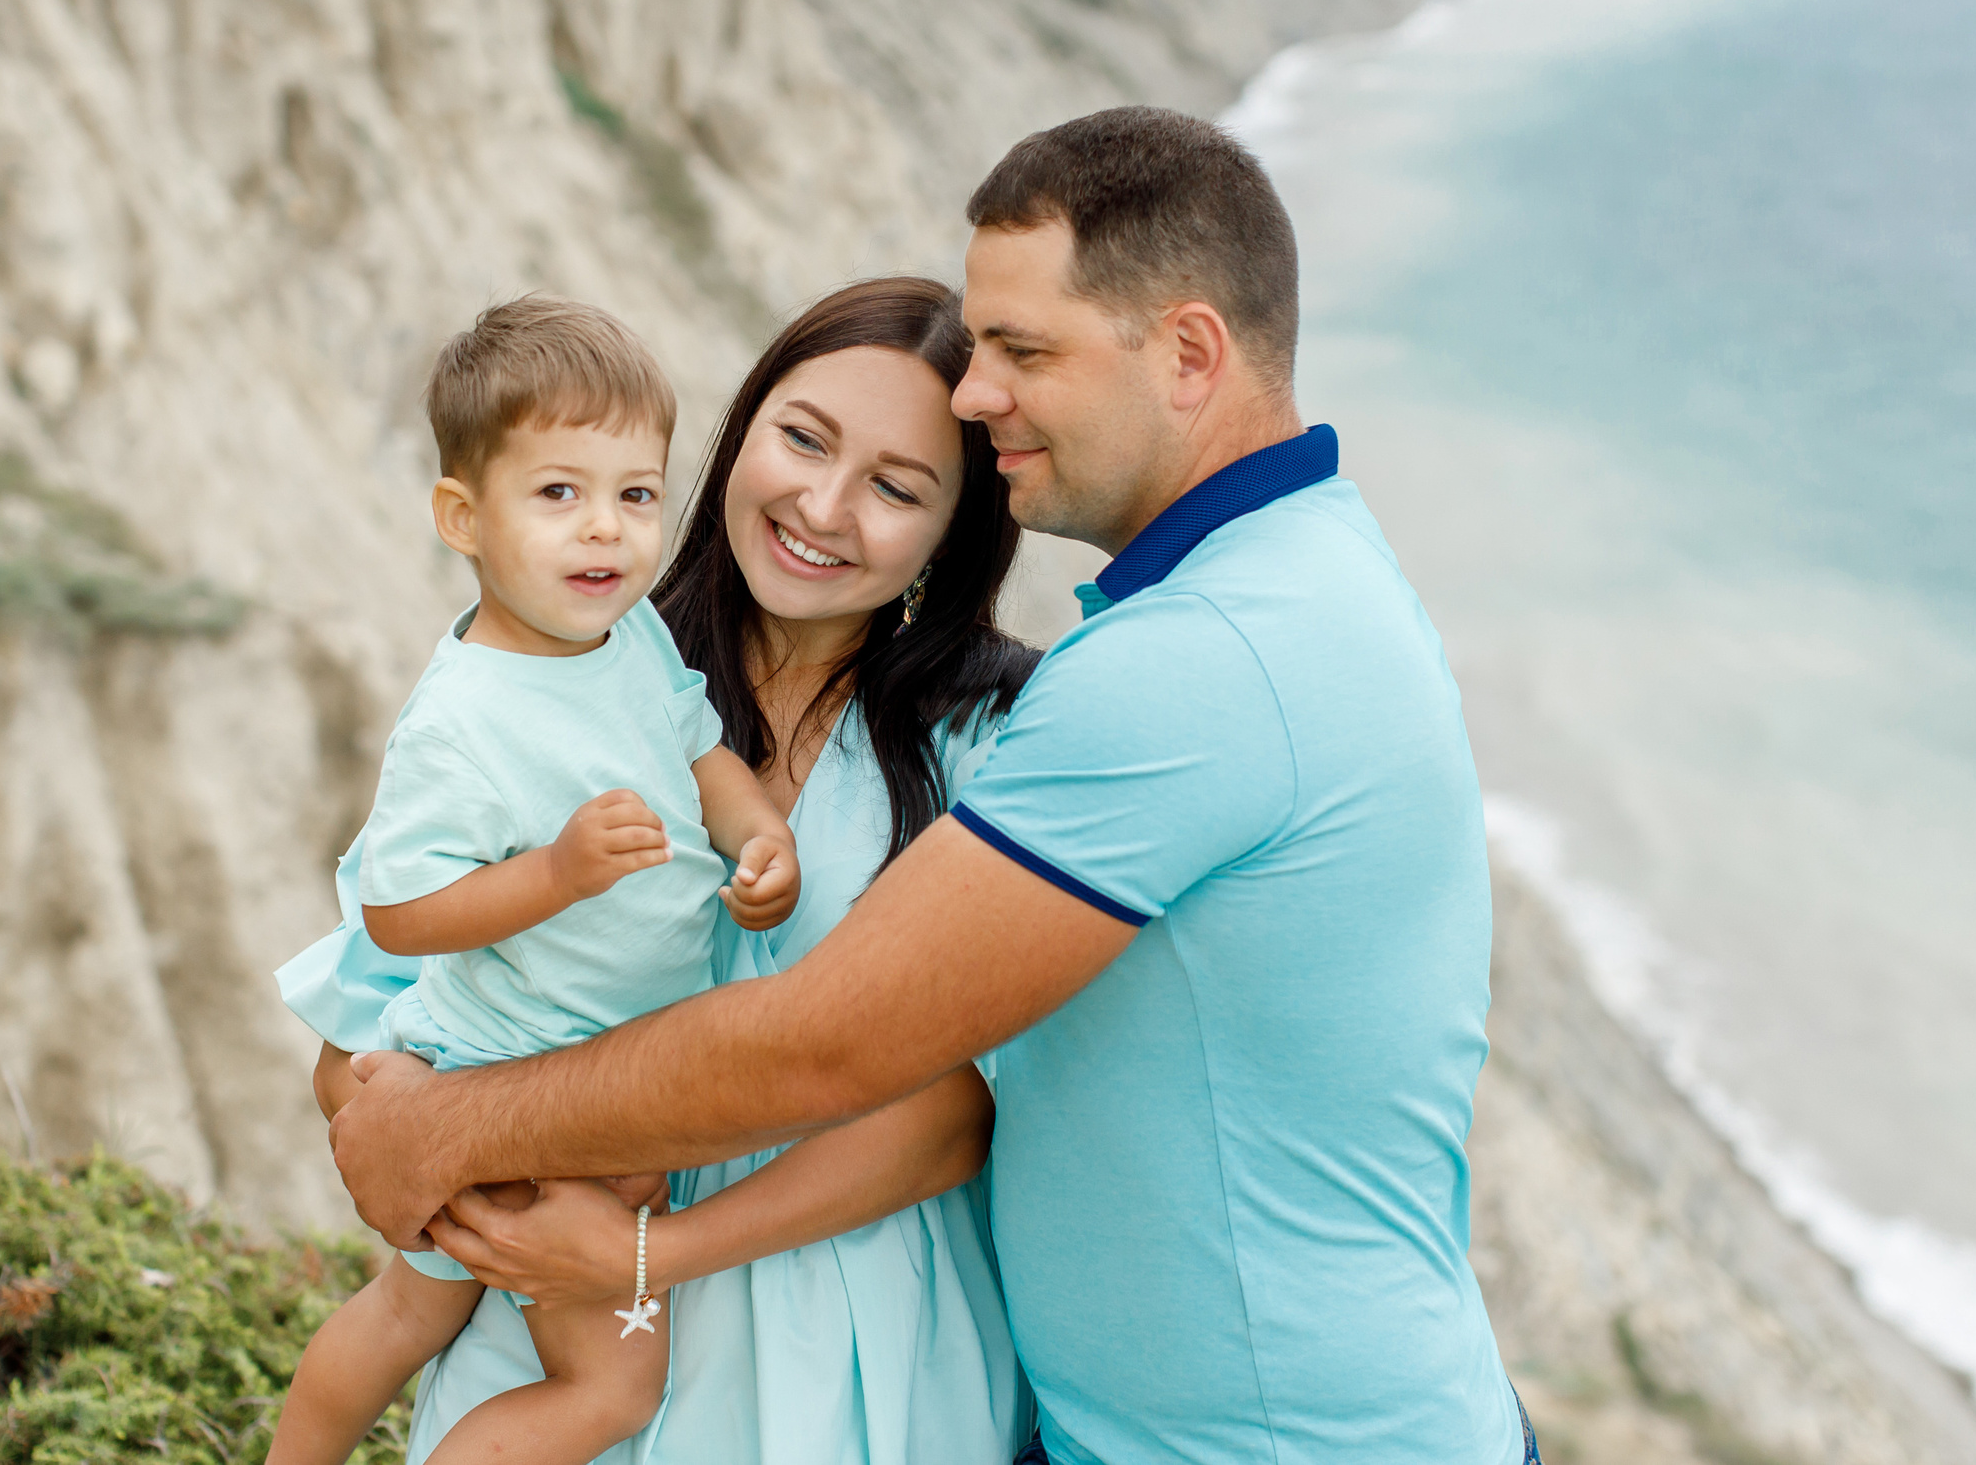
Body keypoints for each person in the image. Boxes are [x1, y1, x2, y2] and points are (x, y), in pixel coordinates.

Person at [327, 107, 1539, 1465]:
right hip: (607, 1328)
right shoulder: (564, 680)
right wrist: (412, 1126)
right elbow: (379, 974)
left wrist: (496, 1153)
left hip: (1031, 1391)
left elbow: (852, 1055)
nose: (977, 391)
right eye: (801, 438)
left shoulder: (1138, 679)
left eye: (1022, 353)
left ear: (1190, 353)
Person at [280, 276, 1040, 1462]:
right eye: (802, 440)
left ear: (955, 532)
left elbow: (953, 1116)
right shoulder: (569, 659)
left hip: (848, 1337)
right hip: (547, 1292)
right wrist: (433, 1148)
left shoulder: (993, 738)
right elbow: (370, 1010)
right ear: (736, 436)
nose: (823, 507)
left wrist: (648, 1254)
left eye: (896, 488)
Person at [267, 296, 804, 1465]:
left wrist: (757, 833)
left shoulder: (632, 636)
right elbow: (399, 915)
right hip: (520, 1080)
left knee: (414, 1313)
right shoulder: (460, 721)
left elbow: (698, 744)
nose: (604, 529)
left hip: (601, 1065)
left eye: (635, 494)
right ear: (463, 518)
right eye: (557, 493)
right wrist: (552, 875)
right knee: (597, 1383)